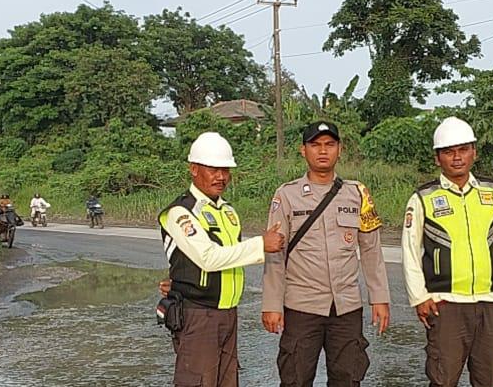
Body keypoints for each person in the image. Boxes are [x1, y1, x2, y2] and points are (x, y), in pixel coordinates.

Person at [261, 121, 390, 387]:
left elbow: (371, 249)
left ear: (339, 150)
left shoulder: (357, 193)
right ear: (303, 150)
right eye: (315, 145)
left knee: (348, 378)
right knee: (295, 379)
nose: (323, 151)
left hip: (346, 308)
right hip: (301, 307)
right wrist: (272, 305)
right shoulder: (287, 195)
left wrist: (379, 298)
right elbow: (275, 253)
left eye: (330, 145)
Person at [400, 117, 493, 387]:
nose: (457, 157)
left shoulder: (492, 192)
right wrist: (420, 297)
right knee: (443, 378)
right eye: (449, 152)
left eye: (463, 150)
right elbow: (410, 251)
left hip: (490, 301)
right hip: (445, 303)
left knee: (490, 378)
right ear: (437, 158)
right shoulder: (423, 198)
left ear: (474, 152)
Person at [159, 132, 285, 387]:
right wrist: (260, 245)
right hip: (198, 315)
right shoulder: (180, 212)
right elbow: (208, 258)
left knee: (228, 381)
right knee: (198, 380)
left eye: (225, 170)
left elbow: (229, 256)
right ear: (194, 169)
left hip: (228, 314)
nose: (221, 177)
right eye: (213, 169)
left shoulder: (228, 211)